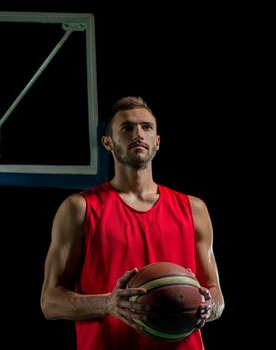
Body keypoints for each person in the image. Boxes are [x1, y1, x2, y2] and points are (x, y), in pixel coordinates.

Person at [40, 96, 224, 349]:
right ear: (107, 142)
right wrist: (108, 304)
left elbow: (217, 297)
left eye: (147, 127)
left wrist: (206, 305)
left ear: (157, 141)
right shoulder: (80, 208)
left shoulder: (194, 209)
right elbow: (50, 302)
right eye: (127, 128)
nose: (138, 133)